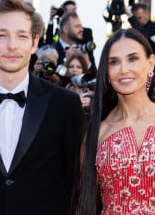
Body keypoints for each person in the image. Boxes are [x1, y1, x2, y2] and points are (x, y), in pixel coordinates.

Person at [0, 0, 83, 215]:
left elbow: (76, 184)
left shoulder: (65, 105)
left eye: (21, 36)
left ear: (34, 43)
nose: (12, 46)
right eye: (2, 36)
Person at [79, 28, 155, 214]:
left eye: (133, 59)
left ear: (151, 63)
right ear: (106, 71)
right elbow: (84, 201)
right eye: (114, 62)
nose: (124, 70)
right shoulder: (97, 133)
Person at [53, 11, 97, 77]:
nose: (82, 29)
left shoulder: (83, 48)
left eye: (81, 26)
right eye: (77, 27)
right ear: (66, 29)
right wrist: (66, 61)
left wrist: (88, 63)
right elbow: (54, 79)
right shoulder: (53, 50)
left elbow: (94, 76)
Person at [64, 52, 94, 117]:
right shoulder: (63, 88)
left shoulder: (90, 89)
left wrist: (92, 103)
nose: (74, 70)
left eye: (79, 67)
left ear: (83, 70)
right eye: (71, 67)